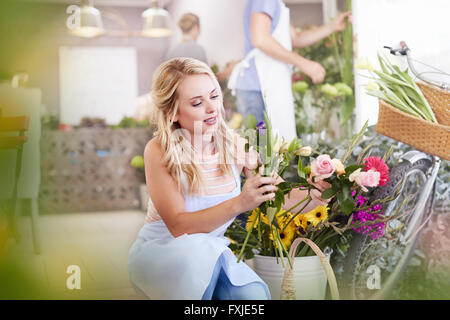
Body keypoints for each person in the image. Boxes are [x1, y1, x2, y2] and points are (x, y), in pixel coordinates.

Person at [127, 57, 330, 300]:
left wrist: (317, 194)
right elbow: (178, 226)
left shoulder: (235, 144)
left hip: (212, 253)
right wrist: (241, 203)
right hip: (162, 253)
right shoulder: (160, 150)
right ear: (172, 113)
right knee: (200, 267)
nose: (212, 108)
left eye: (214, 96)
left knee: (253, 296)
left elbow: (275, 194)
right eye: (197, 103)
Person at [228, 0, 351, 141]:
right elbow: (260, 39)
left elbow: (295, 38)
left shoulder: (277, 4)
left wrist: (332, 26)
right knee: (262, 153)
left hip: (266, 88)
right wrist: (303, 63)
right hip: (258, 90)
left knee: (273, 152)